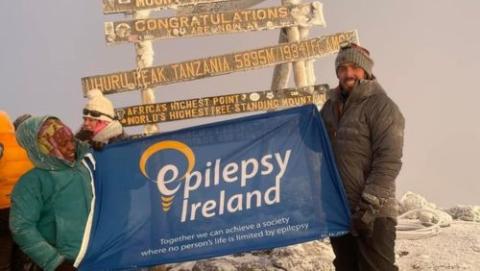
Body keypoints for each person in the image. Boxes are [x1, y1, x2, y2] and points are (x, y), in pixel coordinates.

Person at [320, 43, 405, 271]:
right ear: (337, 72)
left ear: (366, 70)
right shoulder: (329, 108)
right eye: (343, 68)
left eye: (355, 67)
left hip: (374, 213)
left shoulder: (382, 107)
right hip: (340, 212)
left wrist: (370, 204)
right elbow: (315, 150)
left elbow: (389, 160)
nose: (348, 73)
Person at [9, 115, 94, 271]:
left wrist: (104, 151)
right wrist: (55, 262)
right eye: (62, 144)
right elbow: (21, 227)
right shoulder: (32, 182)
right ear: (44, 148)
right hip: (66, 262)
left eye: (71, 139)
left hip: (99, 256)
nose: (71, 147)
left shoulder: (85, 167)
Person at [0, 112, 34, 271]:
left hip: (3, 210)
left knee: (3, 259)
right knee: (20, 258)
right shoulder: (22, 146)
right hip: (24, 210)